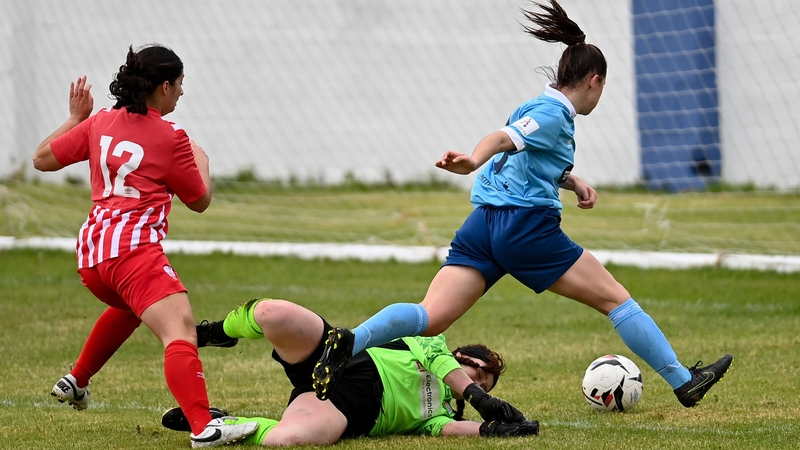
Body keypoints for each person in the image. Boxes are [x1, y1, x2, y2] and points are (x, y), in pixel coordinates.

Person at [311, 0, 733, 409]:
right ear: (594, 81)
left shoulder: (536, 106)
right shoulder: (551, 114)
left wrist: (572, 181)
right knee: (616, 300)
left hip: (483, 226)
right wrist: (472, 160)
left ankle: (349, 341)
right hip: (525, 229)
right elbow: (501, 139)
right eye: (602, 88)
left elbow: (527, 160)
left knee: (430, 317)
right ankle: (684, 381)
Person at [32, 44, 257, 447]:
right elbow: (200, 200)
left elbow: (41, 159)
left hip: (93, 256)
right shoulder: (172, 137)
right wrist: (202, 160)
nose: (182, 92)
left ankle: (76, 380)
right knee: (180, 330)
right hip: (133, 253)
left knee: (131, 308)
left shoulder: (100, 121)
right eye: (180, 84)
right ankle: (204, 428)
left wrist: (75, 118)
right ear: (164, 86)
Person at [159, 298, 539, 445]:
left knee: (288, 439)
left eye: (483, 385)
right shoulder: (432, 342)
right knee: (272, 313)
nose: (475, 383)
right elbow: (443, 364)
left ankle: (222, 423)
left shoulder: (440, 412)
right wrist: (477, 396)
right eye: (477, 373)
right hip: (333, 357)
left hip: (344, 410)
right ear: (463, 355)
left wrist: (491, 429)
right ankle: (214, 332)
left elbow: (448, 430)